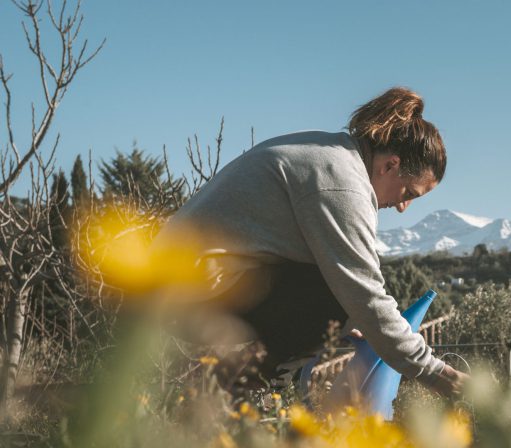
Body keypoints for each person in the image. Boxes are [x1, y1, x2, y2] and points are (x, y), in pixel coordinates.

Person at [153, 86, 467, 398]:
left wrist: (350, 322)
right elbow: (365, 295)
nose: (402, 207)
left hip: (172, 289)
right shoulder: (343, 187)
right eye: (408, 194)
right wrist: (437, 373)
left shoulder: (329, 154)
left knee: (343, 295)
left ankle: (241, 386)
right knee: (341, 293)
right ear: (390, 166)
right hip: (181, 301)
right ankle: (244, 394)